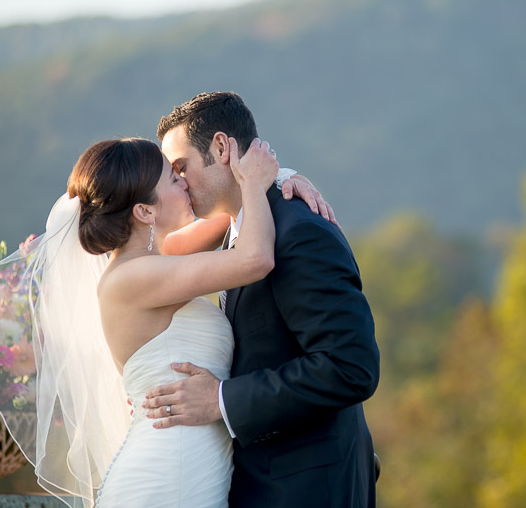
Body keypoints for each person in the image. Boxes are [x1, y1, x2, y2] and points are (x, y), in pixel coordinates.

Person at [0, 136, 332, 508]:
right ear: (145, 211)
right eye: (173, 178)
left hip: (194, 467)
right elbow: (255, 258)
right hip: (167, 476)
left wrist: (282, 180)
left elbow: (235, 214)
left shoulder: (160, 258)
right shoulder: (129, 280)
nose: (185, 182)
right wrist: (257, 182)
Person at [145, 92, 380, 508]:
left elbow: (351, 366)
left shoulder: (298, 231)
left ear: (221, 148)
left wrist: (220, 399)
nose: (179, 183)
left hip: (306, 489)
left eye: (182, 168)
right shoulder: (239, 228)